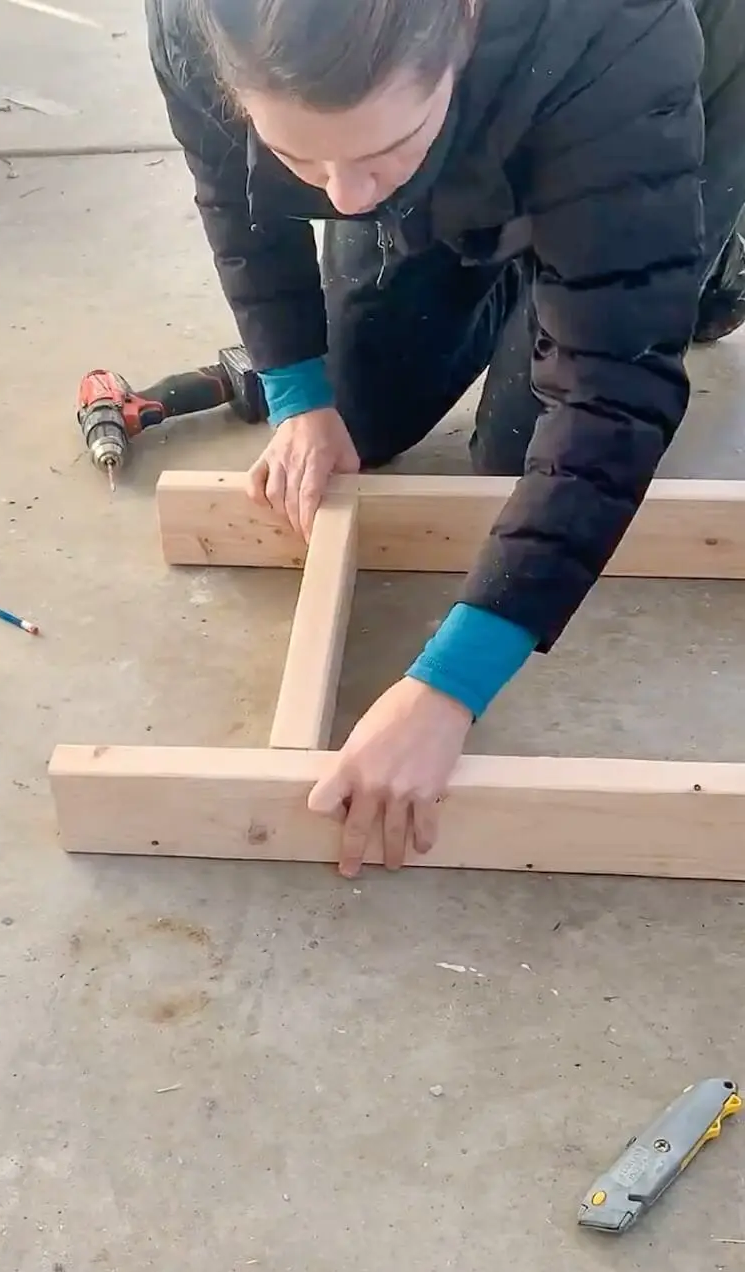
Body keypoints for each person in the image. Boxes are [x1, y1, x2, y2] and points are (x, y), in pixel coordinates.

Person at [146, 0, 745, 876]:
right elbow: (233, 198)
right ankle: (480, 230)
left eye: (378, 148)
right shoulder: (199, 21)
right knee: (362, 412)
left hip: (654, 92)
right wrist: (297, 391)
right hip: (475, 104)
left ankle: (709, 268)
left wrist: (447, 688)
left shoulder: (619, 31)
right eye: (298, 154)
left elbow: (613, 392)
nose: (342, 195)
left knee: (518, 462)